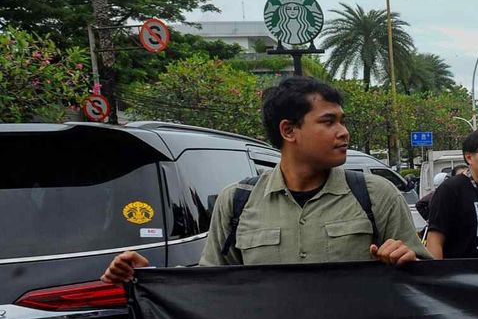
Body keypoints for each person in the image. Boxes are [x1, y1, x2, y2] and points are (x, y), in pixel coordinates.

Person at [100, 77, 428, 282]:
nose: (343, 132)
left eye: (342, 121)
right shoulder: (236, 202)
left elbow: (432, 284)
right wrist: (148, 279)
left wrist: (406, 260)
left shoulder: (376, 195)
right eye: (328, 121)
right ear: (289, 131)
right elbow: (209, 289)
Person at [425, 129, 478, 259]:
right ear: (469, 157)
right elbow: (435, 241)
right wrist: (437, 276)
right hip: (460, 275)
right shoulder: (450, 189)